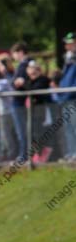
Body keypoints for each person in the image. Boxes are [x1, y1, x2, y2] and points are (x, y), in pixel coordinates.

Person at [22, 61, 53, 162]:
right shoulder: (31, 81)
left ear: (39, 71)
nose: (31, 76)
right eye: (29, 74)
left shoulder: (43, 80)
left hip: (40, 111)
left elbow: (34, 90)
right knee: (31, 133)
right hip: (31, 111)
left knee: (38, 133)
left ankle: (43, 153)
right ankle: (36, 154)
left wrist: (24, 84)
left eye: (34, 73)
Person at [0, 54, 18, 162]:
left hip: (8, 112)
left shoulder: (5, 79)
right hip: (9, 111)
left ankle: (12, 157)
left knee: (8, 136)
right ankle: (12, 156)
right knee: (9, 136)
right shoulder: (7, 78)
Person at [54, 32, 76, 160]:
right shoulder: (68, 59)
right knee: (68, 128)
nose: (67, 46)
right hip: (66, 99)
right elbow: (65, 79)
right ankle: (72, 153)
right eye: (67, 44)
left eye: (71, 43)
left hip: (73, 98)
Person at [9, 41, 31, 162]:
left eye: (14, 53)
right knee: (20, 130)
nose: (13, 57)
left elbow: (17, 82)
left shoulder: (26, 64)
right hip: (18, 102)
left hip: (20, 102)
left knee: (22, 130)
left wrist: (18, 83)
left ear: (20, 52)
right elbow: (14, 82)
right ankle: (23, 154)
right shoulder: (23, 64)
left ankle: (24, 155)